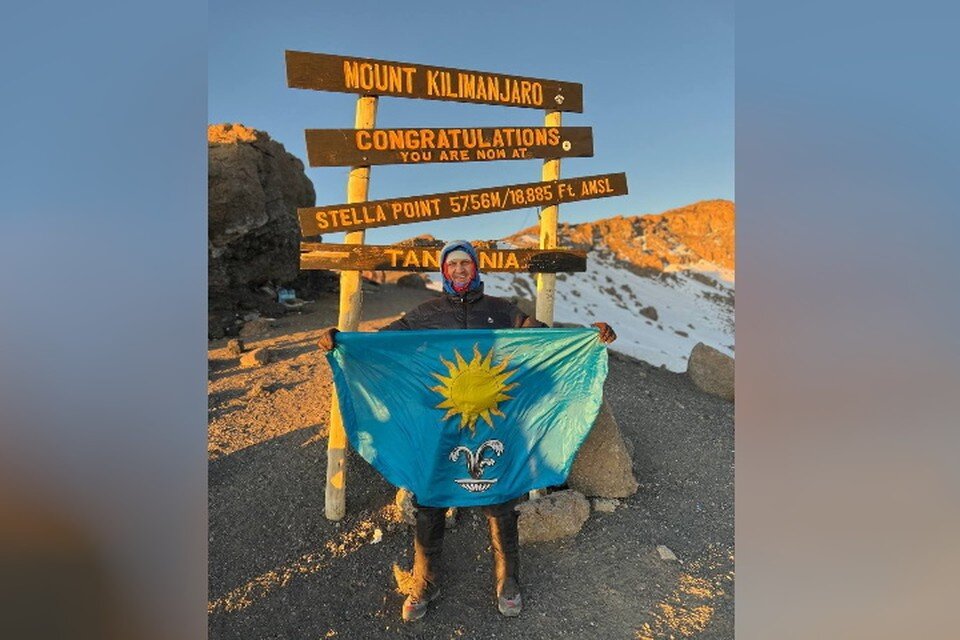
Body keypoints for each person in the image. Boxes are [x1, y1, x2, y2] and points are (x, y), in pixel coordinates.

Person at [318, 240, 616, 622]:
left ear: (475, 269)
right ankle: (425, 582)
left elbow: (542, 340)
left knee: (501, 499)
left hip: (494, 422)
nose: (459, 269)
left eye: (466, 264)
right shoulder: (426, 313)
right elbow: (382, 345)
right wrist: (342, 342)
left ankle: (508, 580)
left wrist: (587, 337)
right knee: (429, 499)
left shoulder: (501, 310)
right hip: (441, 424)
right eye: (452, 264)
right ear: (444, 271)